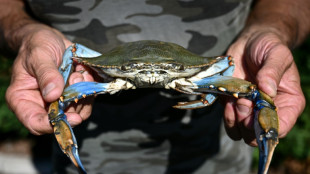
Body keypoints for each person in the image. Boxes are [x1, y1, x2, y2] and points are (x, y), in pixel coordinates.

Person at [2, 0, 309, 173]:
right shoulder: (91, 69)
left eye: (166, 71)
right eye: (136, 71)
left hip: (216, 159)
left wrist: (273, 28)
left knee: (258, 95)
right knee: (59, 105)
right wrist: (23, 32)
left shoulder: (216, 67)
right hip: (85, 164)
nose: (151, 76)